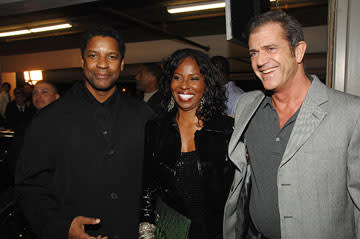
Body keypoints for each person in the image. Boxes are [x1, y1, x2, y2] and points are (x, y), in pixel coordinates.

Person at [223, 10, 360, 239]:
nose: (259, 61)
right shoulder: (247, 106)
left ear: (299, 51)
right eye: (254, 52)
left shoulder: (350, 113)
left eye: (270, 49)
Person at [15, 26, 154, 239]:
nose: (102, 64)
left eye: (112, 56)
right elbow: (30, 186)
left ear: (122, 63)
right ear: (82, 62)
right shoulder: (48, 119)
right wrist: (62, 227)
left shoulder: (144, 116)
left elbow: (156, 180)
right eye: (93, 55)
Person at [140, 48, 234, 239]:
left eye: (194, 78)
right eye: (177, 77)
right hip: (170, 232)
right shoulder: (156, 128)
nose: (184, 86)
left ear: (206, 83)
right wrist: (146, 232)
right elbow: (148, 188)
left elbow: (237, 196)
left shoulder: (226, 130)